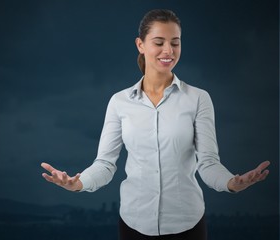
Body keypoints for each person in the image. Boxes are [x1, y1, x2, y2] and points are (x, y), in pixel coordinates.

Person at [41, 9, 270, 240]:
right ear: (140, 44)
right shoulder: (119, 102)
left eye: (175, 43)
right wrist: (78, 184)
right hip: (134, 225)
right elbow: (105, 164)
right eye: (159, 42)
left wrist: (231, 182)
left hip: (188, 225)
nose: (168, 51)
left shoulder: (199, 98)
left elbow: (208, 163)